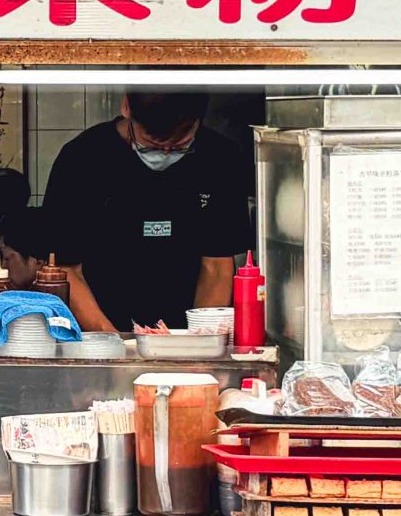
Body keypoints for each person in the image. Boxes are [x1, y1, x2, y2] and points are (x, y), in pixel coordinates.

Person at [43, 90, 254, 333]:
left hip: (185, 335)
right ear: (126, 108)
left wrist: (197, 345)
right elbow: (66, 269)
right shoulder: (82, 159)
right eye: (151, 142)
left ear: (199, 119)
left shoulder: (220, 159)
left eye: (180, 144)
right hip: (102, 331)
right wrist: (114, 344)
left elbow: (217, 266)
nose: (165, 152)